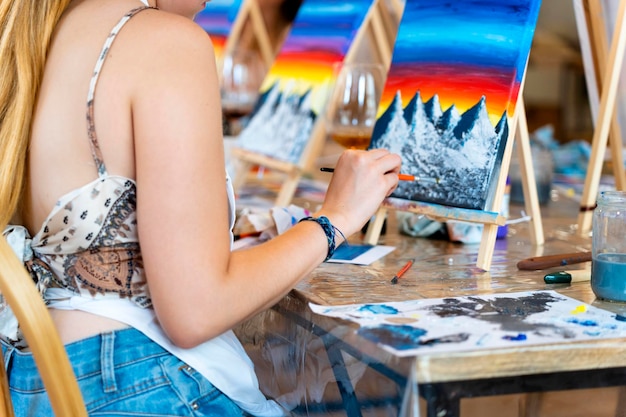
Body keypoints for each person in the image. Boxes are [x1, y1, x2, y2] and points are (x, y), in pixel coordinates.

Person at [0, 0, 401, 415]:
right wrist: (335, 218)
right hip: (135, 382)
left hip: (41, 382)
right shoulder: (165, 42)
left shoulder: (41, 34)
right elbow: (195, 311)